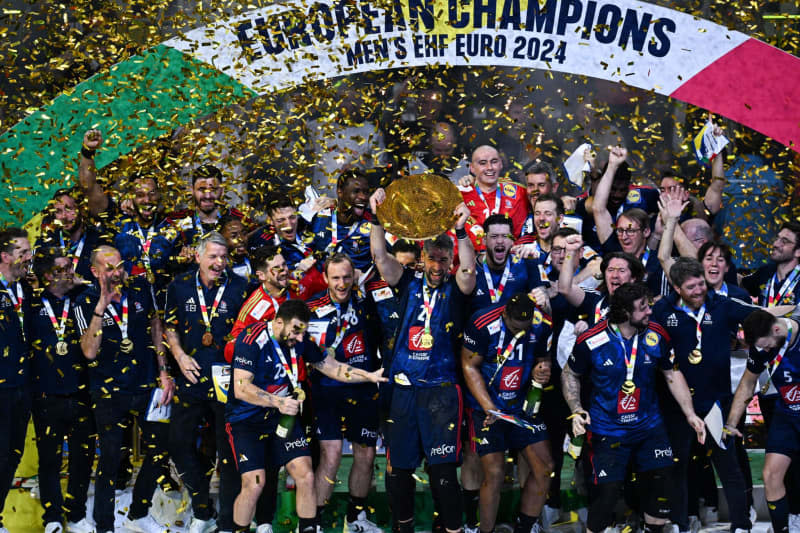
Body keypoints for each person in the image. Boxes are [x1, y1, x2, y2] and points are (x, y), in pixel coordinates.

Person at [226, 300, 386, 533]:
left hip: (283, 417)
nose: (299, 339)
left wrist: (368, 376)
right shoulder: (251, 339)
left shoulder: (299, 338)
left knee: (306, 474)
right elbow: (241, 387)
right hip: (246, 420)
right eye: (295, 331)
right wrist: (279, 401)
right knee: (255, 483)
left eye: (303, 332)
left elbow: (331, 366)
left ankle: (309, 529)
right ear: (278, 322)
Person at [369, 187, 476, 533]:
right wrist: (377, 218)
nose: (437, 266)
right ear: (422, 258)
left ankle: (451, 529)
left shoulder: (457, 289)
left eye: (444, 260)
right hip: (403, 391)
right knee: (399, 471)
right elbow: (380, 257)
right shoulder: (408, 282)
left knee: (443, 472)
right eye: (432, 259)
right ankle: (403, 528)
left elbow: (470, 269)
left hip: (441, 393)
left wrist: (461, 232)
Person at [562, 282, 706, 533]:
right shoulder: (592, 339)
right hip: (608, 429)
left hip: (649, 426)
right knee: (607, 496)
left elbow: (672, 374)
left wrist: (690, 414)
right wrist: (576, 408)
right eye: (642, 308)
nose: (649, 312)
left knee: (661, 487)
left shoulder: (656, 334)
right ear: (625, 312)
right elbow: (569, 373)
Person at [653, 258, 776, 533]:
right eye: (691, 287)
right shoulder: (661, 309)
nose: (698, 290)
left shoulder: (722, 304)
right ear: (676, 286)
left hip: (715, 402)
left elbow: (761, 314)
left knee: (727, 463)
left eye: (701, 284)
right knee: (676, 465)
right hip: (675, 402)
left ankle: (741, 525)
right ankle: (680, 524)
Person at [74, 245, 175, 533]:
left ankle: (138, 513)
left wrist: (164, 370)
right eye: (109, 267)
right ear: (94, 272)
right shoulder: (85, 301)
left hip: (145, 385)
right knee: (110, 458)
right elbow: (89, 352)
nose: (117, 272)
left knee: (160, 448)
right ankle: (105, 525)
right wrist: (102, 304)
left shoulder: (141, 288)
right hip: (107, 391)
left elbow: (156, 326)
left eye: (119, 265)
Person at [164, 232, 249, 533]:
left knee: (228, 455)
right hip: (192, 376)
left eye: (223, 257)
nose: (218, 263)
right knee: (177, 444)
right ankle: (202, 509)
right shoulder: (180, 285)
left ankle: (226, 523)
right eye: (212, 256)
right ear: (197, 256)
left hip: (228, 383)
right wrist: (179, 355)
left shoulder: (241, 287)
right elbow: (169, 326)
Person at [461, 293, 554, 533]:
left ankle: (525, 527)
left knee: (545, 468)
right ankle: (485, 531)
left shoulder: (542, 323)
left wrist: (542, 371)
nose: (520, 333)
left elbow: (543, 359)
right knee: (495, 472)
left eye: (525, 328)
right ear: (505, 314)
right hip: (488, 407)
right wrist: (487, 405)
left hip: (522, 406)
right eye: (514, 328)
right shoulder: (482, 323)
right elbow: (469, 365)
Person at [305, 254, 382, 532]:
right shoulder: (311, 308)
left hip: (363, 389)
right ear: (325, 278)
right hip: (326, 392)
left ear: (355, 276)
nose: (341, 283)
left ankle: (356, 518)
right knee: (332, 454)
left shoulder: (367, 303)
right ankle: (314, 522)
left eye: (347, 277)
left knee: (366, 454)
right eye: (335, 277)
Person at [28, 248, 96, 533]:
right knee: (50, 461)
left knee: (83, 459)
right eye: (63, 269)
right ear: (47, 276)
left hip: (81, 394)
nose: (70, 273)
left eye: (71, 267)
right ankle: (53, 518)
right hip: (46, 396)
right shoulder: (31, 305)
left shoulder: (81, 300)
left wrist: (84, 286)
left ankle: (77, 515)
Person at [726, 310, 800, 533]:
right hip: (786, 415)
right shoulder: (761, 346)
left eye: (768, 346)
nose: (766, 351)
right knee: (770, 475)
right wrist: (730, 424)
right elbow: (747, 385)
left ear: (777, 329)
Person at [77, 129, 176, 289]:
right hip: (123, 306)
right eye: (140, 194)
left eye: (152, 193)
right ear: (131, 196)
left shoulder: (172, 228)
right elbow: (88, 188)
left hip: (163, 308)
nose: (147, 200)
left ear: (160, 195)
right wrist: (88, 152)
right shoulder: (116, 220)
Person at [0, 228, 32, 533]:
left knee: (12, 454)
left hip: (22, 387)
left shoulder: (25, 290)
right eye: (22, 252)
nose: (28, 258)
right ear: (5, 256)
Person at [309, 170, 374, 272]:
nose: (363, 197)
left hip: (361, 285)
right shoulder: (320, 219)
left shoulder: (374, 223)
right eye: (356, 191)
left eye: (366, 192)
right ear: (340, 192)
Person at [36, 187, 104, 284]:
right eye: (58, 211)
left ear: (81, 209)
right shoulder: (45, 243)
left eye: (69, 209)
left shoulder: (99, 241)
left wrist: (84, 285)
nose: (64, 216)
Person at [459, 145, 529, 237]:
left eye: (494, 162)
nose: (489, 167)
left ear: (501, 164)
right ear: (472, 168)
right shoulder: (460, 196)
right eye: (483, 163)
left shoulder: (519, 193)